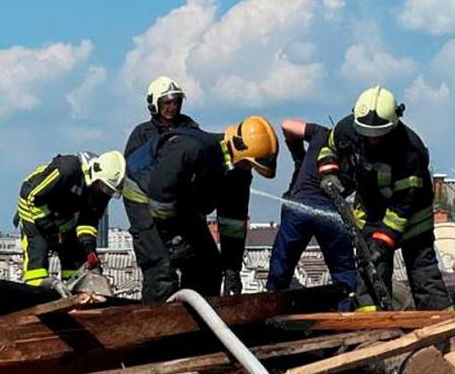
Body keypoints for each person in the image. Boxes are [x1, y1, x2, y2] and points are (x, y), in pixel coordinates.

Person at [316, 86, 449, 310]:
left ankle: (443, 328)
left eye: (379, 134)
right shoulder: (347, 128)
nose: (372, 139)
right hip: (371, 212)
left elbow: (403, 205)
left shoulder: (410, 152)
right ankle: (373, 328)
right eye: (367, 133)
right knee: (370, 273)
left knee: (423, 275)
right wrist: (329, 172)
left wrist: (383, 241)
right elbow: (329, 148)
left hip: (412, 218)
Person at [135, 116, 278, 301]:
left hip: (179, 207)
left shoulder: (238, 174)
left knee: (209, 267)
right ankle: (156, 324)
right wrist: (174, 239)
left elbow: (232, 223)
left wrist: (231, 269)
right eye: (249, 164)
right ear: (238, 148)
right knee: (163, 270)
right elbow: (160, 198)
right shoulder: (192, 149)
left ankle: (198, 323)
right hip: (144, 197)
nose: (249, 169)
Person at [122, 77, 201, 302]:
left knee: (200, 262)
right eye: (167, 103)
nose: (172, 107)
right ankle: (155, 320)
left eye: (176, 102)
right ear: (154, 104)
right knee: (160, 270)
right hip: (145, 214)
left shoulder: (189, 128)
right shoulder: (142, 134)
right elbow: (136, 175)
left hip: (179, 209)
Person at [265, 119, 360, 307]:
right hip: (331, 215)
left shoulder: (321, 133)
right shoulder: (361, 156)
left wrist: (298, 156)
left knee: (280, 269)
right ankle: (347, 315)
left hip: (298, 209)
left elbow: (286, 126)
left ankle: (270, 310)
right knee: (344, 273)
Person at [15, 150, 128, 289]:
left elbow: (88, 221)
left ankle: (71, 289)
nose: (105, 192)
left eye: (110, 191)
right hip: (34, 206)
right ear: (96, 174)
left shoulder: (102, 192)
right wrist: (52, 231)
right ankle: (36, 287)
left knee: (74, 254)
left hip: (64, 213)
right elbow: (34, 197)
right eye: (104, 187)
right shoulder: (68, 169)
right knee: (38, 250)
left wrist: (90, 252)